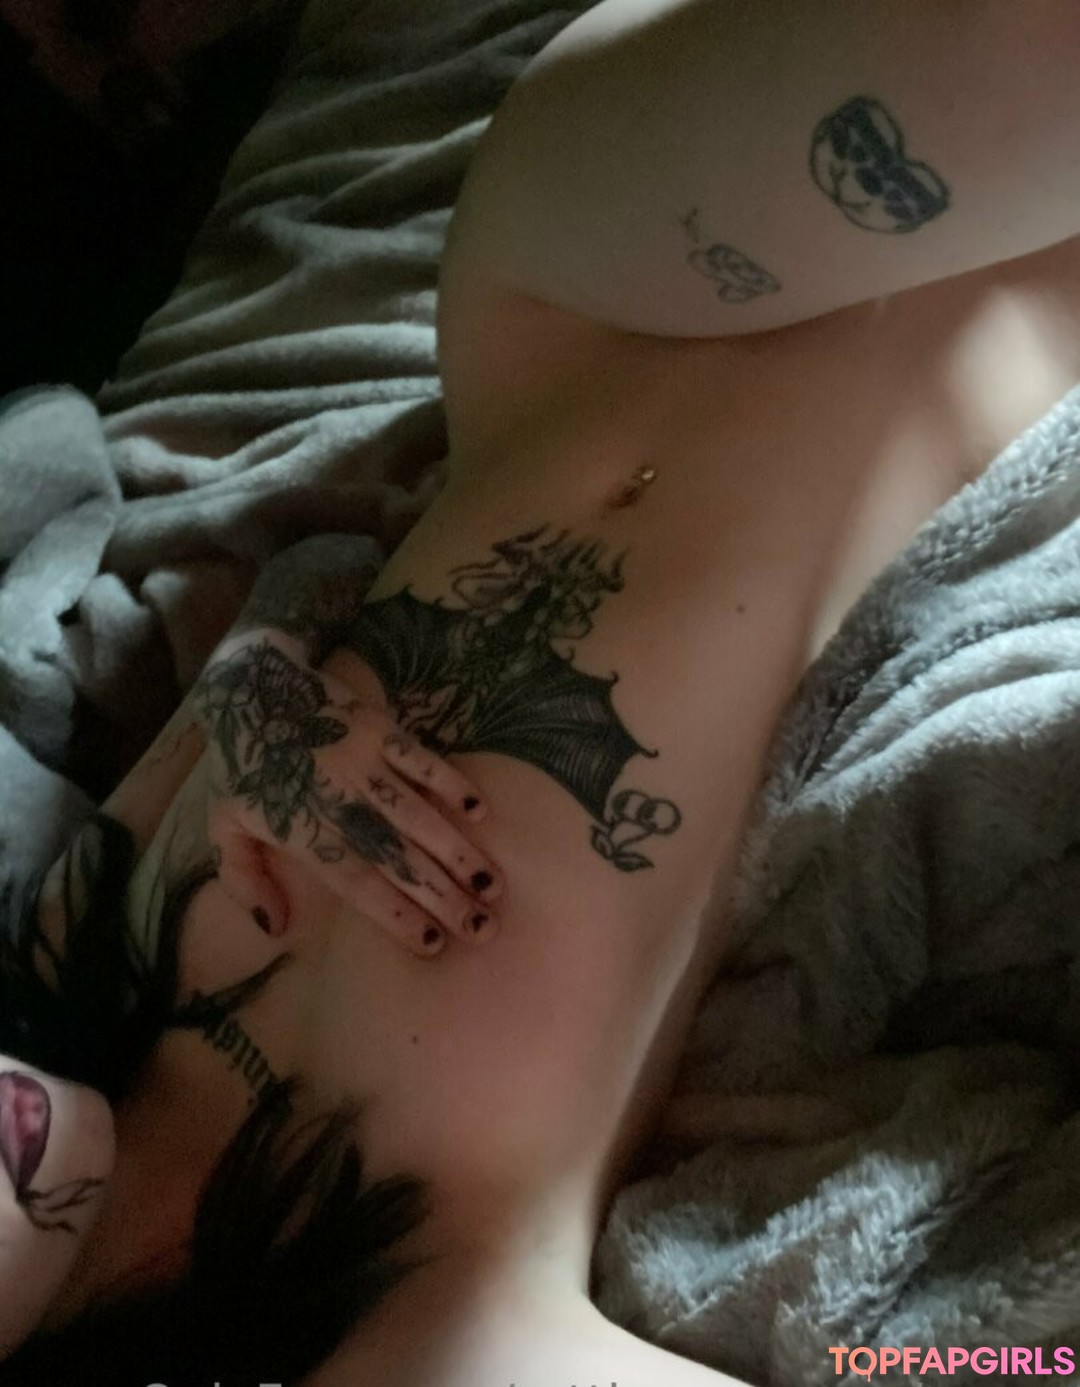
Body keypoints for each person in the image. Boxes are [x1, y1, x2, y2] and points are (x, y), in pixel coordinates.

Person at [3, 1, 1080, 1383]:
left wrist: (270, 714)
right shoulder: (412, 1337)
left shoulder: (57, 964)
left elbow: (244, 660)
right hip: (949, 394)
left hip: (563, 313)